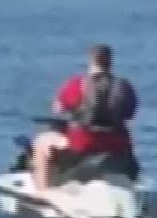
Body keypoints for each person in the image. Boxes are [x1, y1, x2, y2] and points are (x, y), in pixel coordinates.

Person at [28, 44, 139, 194]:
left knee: (42, 142)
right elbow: (129, 114)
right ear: (111, 62)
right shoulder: (124, 87)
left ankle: (43, 193)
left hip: (83, 143)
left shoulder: (77, 84)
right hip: (117, 146)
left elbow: (58, 108)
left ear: (91, 61)